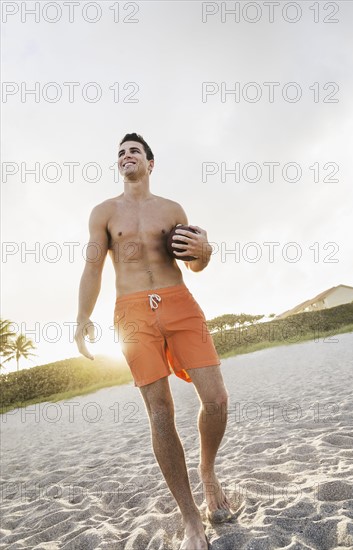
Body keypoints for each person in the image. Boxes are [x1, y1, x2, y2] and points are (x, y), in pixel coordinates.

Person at [75, 133, 232, 550]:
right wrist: (82, 318)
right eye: (121, 153)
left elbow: (194, 261)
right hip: (131, 313)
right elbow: (93, 267)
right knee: (160, 411)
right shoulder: (104, 212)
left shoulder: (172, 209)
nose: (127, 156)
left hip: (179, 303)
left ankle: (208, 471)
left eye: (135, 151)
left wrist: (205, 251)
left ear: (150, 162)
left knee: (216, 399)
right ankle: (189, 517)